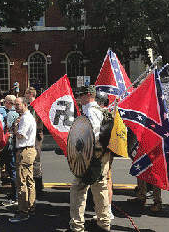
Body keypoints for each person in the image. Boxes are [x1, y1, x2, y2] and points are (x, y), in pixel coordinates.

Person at [68, 85, 111, 232]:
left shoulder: (91, 112)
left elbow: (91, 135)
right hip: (101, 155)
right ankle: (103, 224)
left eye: (80, 95)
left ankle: (76, 226)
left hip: (91, 156)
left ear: (88, 95)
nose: (78, 98)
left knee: (78, 189)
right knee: (100, 188)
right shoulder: (100, 110)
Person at [8, 97, 37, 223]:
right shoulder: (27, 117)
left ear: (25, 104)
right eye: (14, 104)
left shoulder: (25, 118)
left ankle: (23, 211)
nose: (15, 106)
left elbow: (20, 134)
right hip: (28, 150)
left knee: (22, 182)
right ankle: (30, 207)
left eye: (18, 104)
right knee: (29, 180)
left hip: (24, 151)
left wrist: (15, 126)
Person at [25, 87, 44, 198]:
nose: (25, 95)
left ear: (31, 94)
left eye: (26, 93)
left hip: (36, 135)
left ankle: (38, 187)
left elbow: (36, 120)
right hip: (29, 136)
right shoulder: (27, 106)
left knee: (36, 160)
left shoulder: (37, 106)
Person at [0, 95, 19, 207]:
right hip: (14, 145)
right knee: (12, 171)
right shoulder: (18, 113)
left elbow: (6, 128)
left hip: (9, 146)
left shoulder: (11, 114)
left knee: (12, 171)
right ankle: (15, 194)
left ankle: (15, 196)